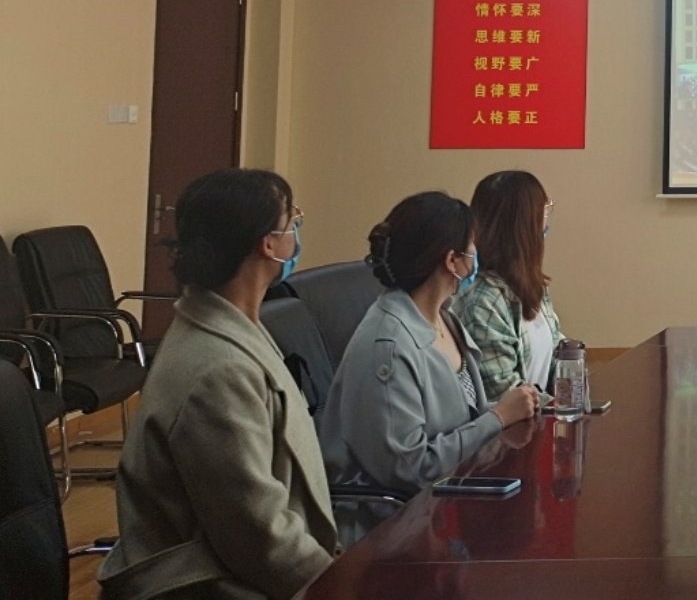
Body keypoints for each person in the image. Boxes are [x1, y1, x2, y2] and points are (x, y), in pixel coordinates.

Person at [98, 169, 338, 600]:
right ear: (268, 244)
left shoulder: (233, 326)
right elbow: (258, 535)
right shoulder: (217, 371)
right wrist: (340, 584)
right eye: (292, 219)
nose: (297, 230)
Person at [320, 191, 539, 493]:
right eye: (472, 246)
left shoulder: (444, 317)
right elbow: (411, 469)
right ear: (452, 260)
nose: (477, 254)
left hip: (452, 491)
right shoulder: (390, 347)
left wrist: (511, 407)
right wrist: (498, 417)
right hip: (399, 514)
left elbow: (460, 416)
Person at [453, 170, 564, 402]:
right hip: (513, 424)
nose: (547, 221)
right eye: (545, 210)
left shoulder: (532, 284)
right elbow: (503, 393)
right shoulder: (484, 301)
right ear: (525, 226)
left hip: (540, 416)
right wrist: (558, 406)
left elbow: (558, 353)